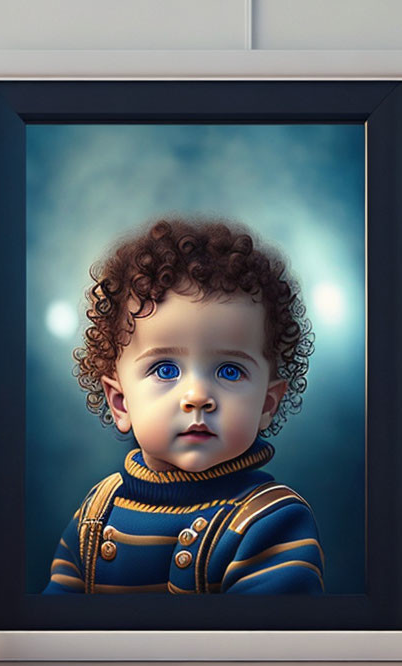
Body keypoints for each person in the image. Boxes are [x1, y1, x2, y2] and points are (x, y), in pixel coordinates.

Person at [43, 218, 324, 595]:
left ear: (266, 404)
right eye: (165, 369)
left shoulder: (271, 522)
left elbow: (264, 652)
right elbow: (55, 642)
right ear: (121, 402)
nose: (197, 396)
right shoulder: (94, 515)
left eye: (229, 370)